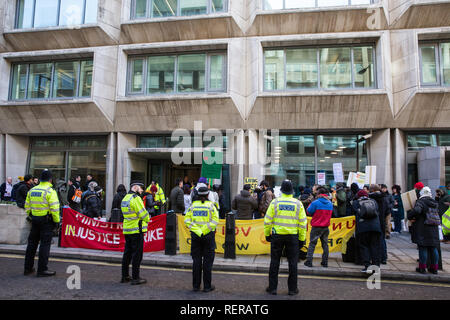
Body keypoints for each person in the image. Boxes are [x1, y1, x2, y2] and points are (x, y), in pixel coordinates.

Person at [264, 180, 307, 296]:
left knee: (274, 262)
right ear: (292, 191)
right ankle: (292, 289)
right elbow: (303, 224)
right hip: (293, 237)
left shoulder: (275, 203)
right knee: (293, 263)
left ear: (282, 190)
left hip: (277, 236)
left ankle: (272, 288)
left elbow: (267, 221)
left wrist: (267, 235)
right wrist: (302, 239)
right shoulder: (298, 204)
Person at [24, 170, 60, 277]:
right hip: (46, 222)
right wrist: (57, 222)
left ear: (40, 179)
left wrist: (32, 216)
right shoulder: (50, 191)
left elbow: (27, 206)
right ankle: (42, 270)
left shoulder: (32, 190)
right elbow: (55, 208)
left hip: (35, 220)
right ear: (50, 179)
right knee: (44, 245)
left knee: (31, 244)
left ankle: (28, 268)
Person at [184, 186, 219, 292]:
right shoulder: (211, 206)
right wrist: (204, 230)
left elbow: (187, 221)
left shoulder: (193, 206)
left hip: (195, 236)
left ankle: (196, 286)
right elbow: (215, 221)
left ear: (198, 195)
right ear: (208, 195)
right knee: (208, 262)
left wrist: (198, 231)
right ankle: (207, 287)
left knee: (196, 261)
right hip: (208, 236)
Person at [121, 181, 149, 285]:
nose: (142, 191)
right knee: (137, 255)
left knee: (127, 254)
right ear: (136, 187)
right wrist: (148, 218)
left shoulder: (125, 198)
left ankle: (125, 276)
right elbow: (143, 214)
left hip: (127, 230)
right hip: (136, 230)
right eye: (141, 189)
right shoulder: (136, 198)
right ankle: (135, 278)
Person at [407, 187, 440, 274]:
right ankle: (434, 268)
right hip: (433, 228)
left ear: (421, 194)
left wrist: (410, 216)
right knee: (433, 248)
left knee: (423, 247)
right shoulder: (435, 202)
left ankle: (422, 268)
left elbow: (417, 210)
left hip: (423, 228)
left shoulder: (421, 201)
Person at [352, 189, 382, 273]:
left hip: (363, 228)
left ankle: (367, 266)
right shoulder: (373, 201)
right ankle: (376, 267)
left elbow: (355, 212)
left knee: (364, 247)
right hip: (375, 227)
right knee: (375, 247)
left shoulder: (356, 203)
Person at [304, 187, 333, 268]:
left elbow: (309, 211)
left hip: (316, 227)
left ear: (319, 194)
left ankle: (309, 261)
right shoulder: (330, 203)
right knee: (325, 245)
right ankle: (325, 262)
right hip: (325, 227)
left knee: (312, 244)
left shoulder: (315, 202)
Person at [369, 184, 388, 264]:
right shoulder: (384, 197)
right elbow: (387, 210)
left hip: (374, 221)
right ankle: (383, 257)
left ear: (372, 190)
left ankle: (376, 258)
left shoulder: (372, 198)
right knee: (382, 239)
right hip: (382, 220)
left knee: (374, 241)